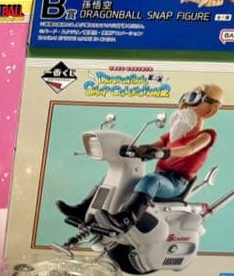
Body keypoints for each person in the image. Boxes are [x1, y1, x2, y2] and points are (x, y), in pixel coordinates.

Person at [58, 84, 223, 232]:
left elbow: (189, 149)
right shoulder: (171, 136)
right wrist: (136, 151)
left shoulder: (206, 135)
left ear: (210, 110)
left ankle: (125, 219)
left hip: (175, 184)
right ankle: (83, 209)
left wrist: (164, 153)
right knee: (116, 172)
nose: (185, 103)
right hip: (161, 178)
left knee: (151, 180)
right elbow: (153, 145)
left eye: (194, 97)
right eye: (186, 97)